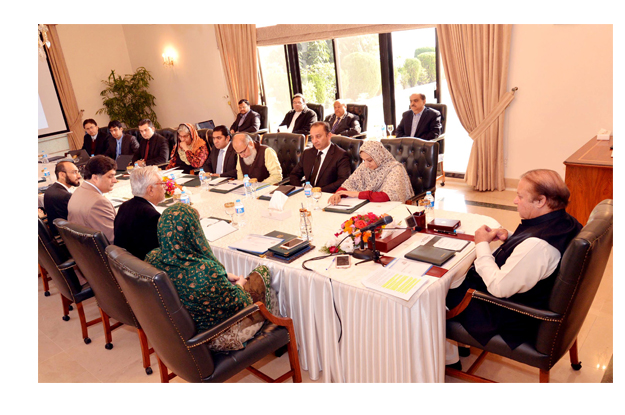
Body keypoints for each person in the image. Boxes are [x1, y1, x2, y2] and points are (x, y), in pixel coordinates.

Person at [445, 169, 582, 363]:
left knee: (435, 292)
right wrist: (509, 237)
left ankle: (448, 360)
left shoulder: (538, 246)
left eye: (520, 196)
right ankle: (460, 350)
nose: (515, 201)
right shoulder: (566, 222)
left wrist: (482, 245)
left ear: (541, 201)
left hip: (506, 314)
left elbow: (499, 287)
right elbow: (535, 255)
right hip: (527, 296)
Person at [145, 203, 273, 349]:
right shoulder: (204, 271)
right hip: (213, 336)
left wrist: (222, 276)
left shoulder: (152, 258)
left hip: (176, 335)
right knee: (263, 272)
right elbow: (241, 302)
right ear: (193, 231)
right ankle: (274, 334)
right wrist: (239, 285)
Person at [328, 140, 414, 204]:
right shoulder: (364, 166)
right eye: (363, 160)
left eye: (369, 160)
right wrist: (338, 194)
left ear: (378, 156)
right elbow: (349, 183)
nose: (366, 165)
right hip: (369, 205)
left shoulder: (395, 168)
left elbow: (386, 196)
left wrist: (357, 194)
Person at [113, 166, 164, 260]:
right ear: (150, 190)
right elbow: (157, 254)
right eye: (161, 183)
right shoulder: (152, 217)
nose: (164, 186)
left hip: (124, 266)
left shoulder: (125, 206)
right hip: (143, 270)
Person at [289, 121, 351, 193]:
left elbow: (343, 180)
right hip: (307, 195)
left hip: (326, 195)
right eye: (312, 137)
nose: (314, 141)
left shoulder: (340, 155)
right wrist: (301, 190)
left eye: (318, 136)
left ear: (329, 136)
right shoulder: (307, 153)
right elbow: (294, 174)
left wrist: (319, 191)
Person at [67, 155, 117, 243]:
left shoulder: (78, 192)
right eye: (110, 176)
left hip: (85, 250)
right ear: (95, 178)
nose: (115, 180)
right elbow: (113, 239)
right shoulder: (99, 203)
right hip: (104, 253)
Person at [43, 161, 81, 236]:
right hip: (68, 238)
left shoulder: (50, 190)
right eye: (74, 172)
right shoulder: (65, 196)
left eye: (78, 172)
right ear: (62, 175)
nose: (79, 176)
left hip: (57, 233)